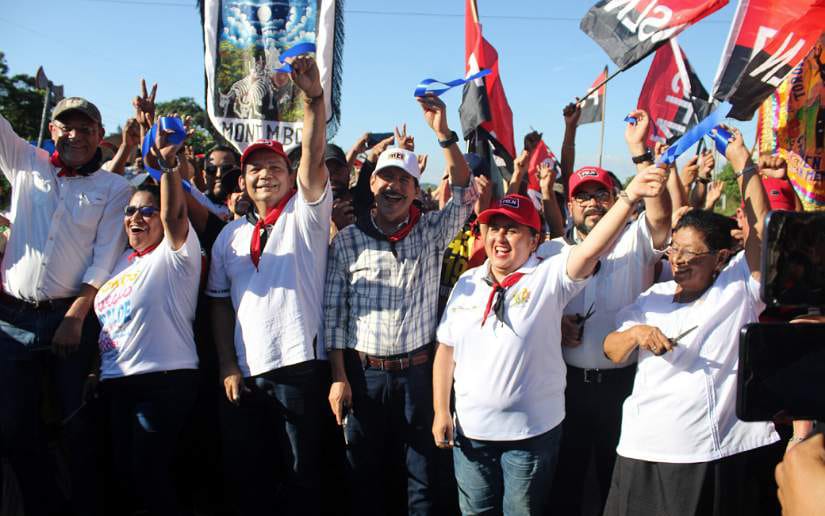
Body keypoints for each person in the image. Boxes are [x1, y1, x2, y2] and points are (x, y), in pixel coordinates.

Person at [432, 160, 667, 515]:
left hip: (530, 435)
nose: (500, 237)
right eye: (493, 228)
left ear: (535, 239)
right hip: (472, 434)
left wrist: (630, 195)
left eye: (512, 230)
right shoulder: (467, 282)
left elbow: (590, 250)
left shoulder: (547, 274)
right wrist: (440, 410)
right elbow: (447, 349)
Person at [602, 127, 782, 516]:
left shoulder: (736, 290)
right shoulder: (652, 300)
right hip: (640, 450)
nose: (678, 261)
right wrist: (636, 333)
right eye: (674, 251)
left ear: (720, 259)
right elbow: (611, 349)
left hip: (706, 453)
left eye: (691, 253)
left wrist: (743, 165)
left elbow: (763, 234)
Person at [324, 93, 477, 515]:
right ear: (371, 184)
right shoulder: (349, 240)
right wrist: (339, 376)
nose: (393, 187)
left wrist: (443, 133)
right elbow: (334, 315)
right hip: (364, 373)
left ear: (415, 190)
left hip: (417, 374)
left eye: (403, 180)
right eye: (385, 178)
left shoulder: (431, 231)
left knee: (421, 479)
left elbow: (463, 193)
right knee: (365, 476)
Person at [205, 54, 330, 516]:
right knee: (250, 480)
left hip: (300, 368)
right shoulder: (229, 236)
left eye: (274, 167)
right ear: (243, 179)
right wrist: (226, 364)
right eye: (255, 169)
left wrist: (313, 99)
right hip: (246, 374)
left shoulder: (307, 215)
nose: (265, 175)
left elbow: (314, 156)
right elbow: (219, 305)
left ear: (288, 175)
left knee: (303, 480)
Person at [0, 97, 132, 516]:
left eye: (85, 128)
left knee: (76, 427)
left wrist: (76, 316)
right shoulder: (25, 161)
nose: (75, 135)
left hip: (69, 318)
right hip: (13, 317)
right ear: (54, 131)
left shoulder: (115, 188)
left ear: (99, 135)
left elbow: (105, 256)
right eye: (66, 127)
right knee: (14, 427)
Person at [545, 109, 672, 515]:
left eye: (602, 194)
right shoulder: (550, 253)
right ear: (570, 205)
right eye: (583, 196)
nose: (593, 203)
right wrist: (556, 324)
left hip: (624, 387)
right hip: (566, 387)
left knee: (615, 484)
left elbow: (662, 216)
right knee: (566, 482)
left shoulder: (636, 241)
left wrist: (639, 153)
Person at [93, 119, 201, 516]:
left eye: (147, 211)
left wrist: (169, 167)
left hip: (164, 382)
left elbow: (175, 217)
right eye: (130, 211)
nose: (137, 217)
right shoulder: (116, 260)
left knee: (150, 478)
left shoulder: (175, 255)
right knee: (123, 478)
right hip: (114, 383)